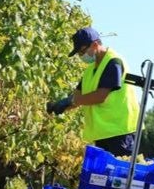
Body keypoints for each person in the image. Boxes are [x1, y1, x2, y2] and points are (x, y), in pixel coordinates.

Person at [47, 27, 140, 156]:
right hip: (103, 132)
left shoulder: (113, 62)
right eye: (79, 54)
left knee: (119, 173)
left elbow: (100, 96)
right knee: (103, 175)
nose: (81, 56)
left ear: (95, 44)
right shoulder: (90, 70)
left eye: (82, 51)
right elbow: (78, 97)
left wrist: (73, 100)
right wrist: (59, 106)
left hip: (120, 131)